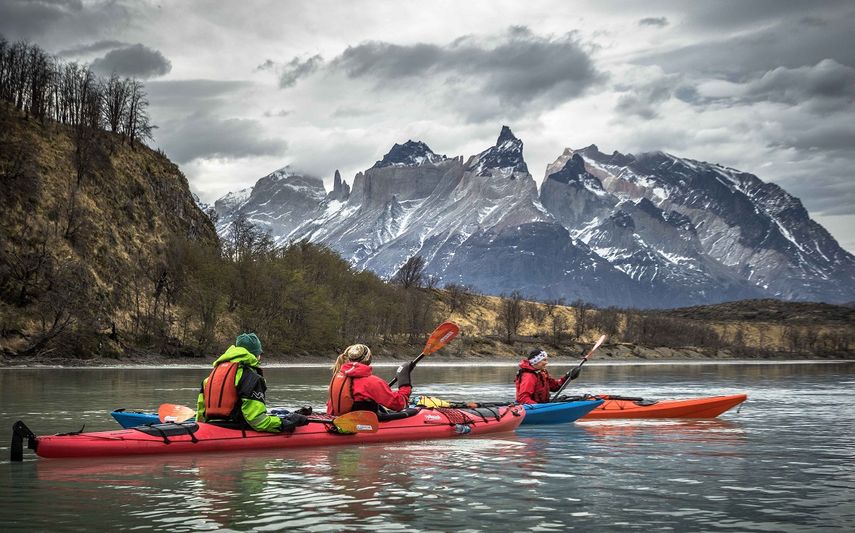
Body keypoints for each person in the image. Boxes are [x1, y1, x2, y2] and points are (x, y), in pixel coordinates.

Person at [196, 333, 307, 432]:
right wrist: (285, 423)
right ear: (255, 355)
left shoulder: (210, 377)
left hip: (210, 427)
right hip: (237, 428)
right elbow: (257, 421)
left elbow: (200, 415)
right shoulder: (251, 378)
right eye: (259, 354)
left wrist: (201, 431)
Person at [327, 344, 413, 415]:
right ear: (369, 359)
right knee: (413, 411)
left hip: (340, 421)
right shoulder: (373, 382)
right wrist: (404, 381)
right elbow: (400, 404)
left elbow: (330, 407)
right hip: (363, 424)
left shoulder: (337, 378)